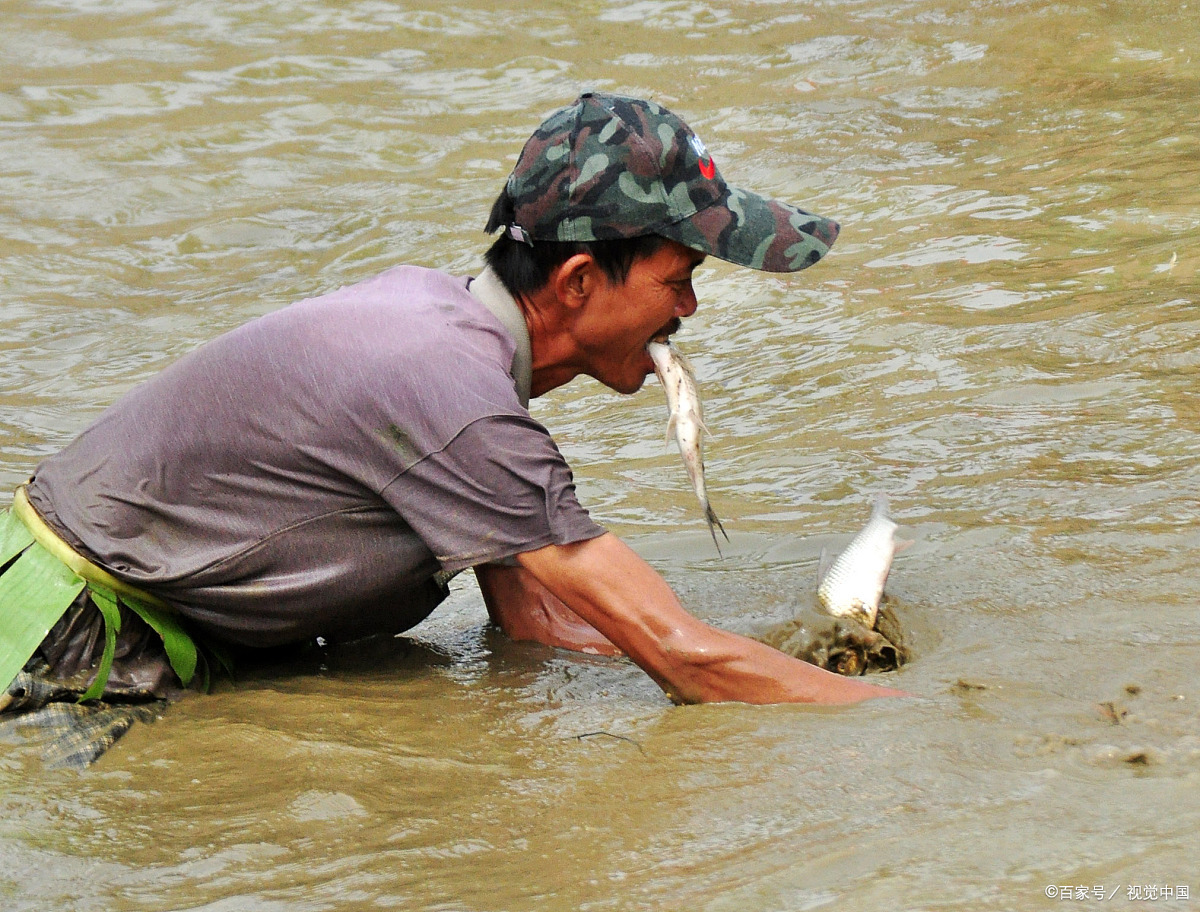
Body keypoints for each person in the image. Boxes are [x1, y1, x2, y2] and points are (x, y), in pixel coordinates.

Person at [0, 93, 904, 753]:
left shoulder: (445, 331)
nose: (692, 310)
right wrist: (909, 723)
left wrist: (792, 660)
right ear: (580, 281)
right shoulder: (458, 407)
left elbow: (537, 627)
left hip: (67, 608)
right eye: (678, 280)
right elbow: (681, 660)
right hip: (71, 655)